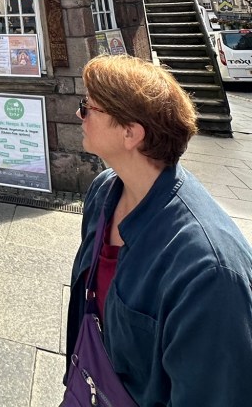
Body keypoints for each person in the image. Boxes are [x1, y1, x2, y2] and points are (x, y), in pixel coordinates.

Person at [65, 55, 252, 406]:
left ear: (131, 133)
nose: (79, 114)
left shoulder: (208, 272)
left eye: (88, 108)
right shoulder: (105, 192)